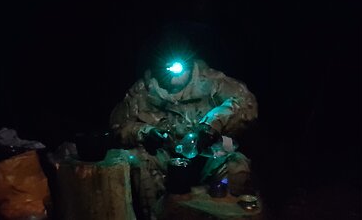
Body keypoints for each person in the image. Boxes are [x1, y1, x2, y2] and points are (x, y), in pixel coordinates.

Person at [109, 32, 258, 219]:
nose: (173, 72)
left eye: (178, 66)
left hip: (208, 155)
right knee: (137, 160)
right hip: (166, 162)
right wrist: (145, 132)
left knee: (236, 165)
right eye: (167, 67)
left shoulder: (212, 82)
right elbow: (118, 125)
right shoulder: (143, 91)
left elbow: (247, 103)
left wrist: (211, 126)